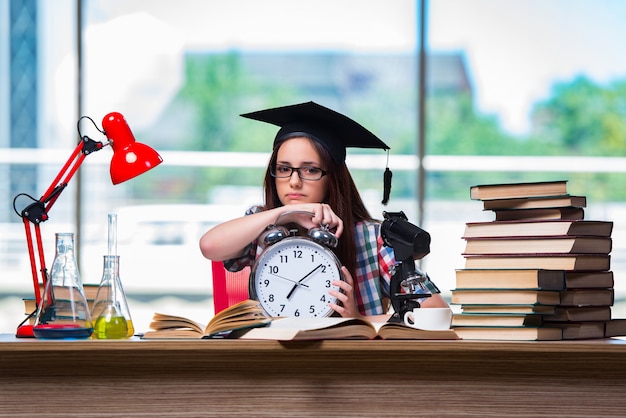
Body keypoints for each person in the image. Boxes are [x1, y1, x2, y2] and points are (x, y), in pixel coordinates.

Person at [199, 101, 449, 322]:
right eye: (284, 168)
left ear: (333, 177)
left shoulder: (372, 239)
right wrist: (280, 214)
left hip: (345, 363)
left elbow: (436, 311)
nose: (294, 182)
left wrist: (358, 319)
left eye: (310, 170)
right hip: (272, 358)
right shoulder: (261, 224)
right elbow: (209, 246)